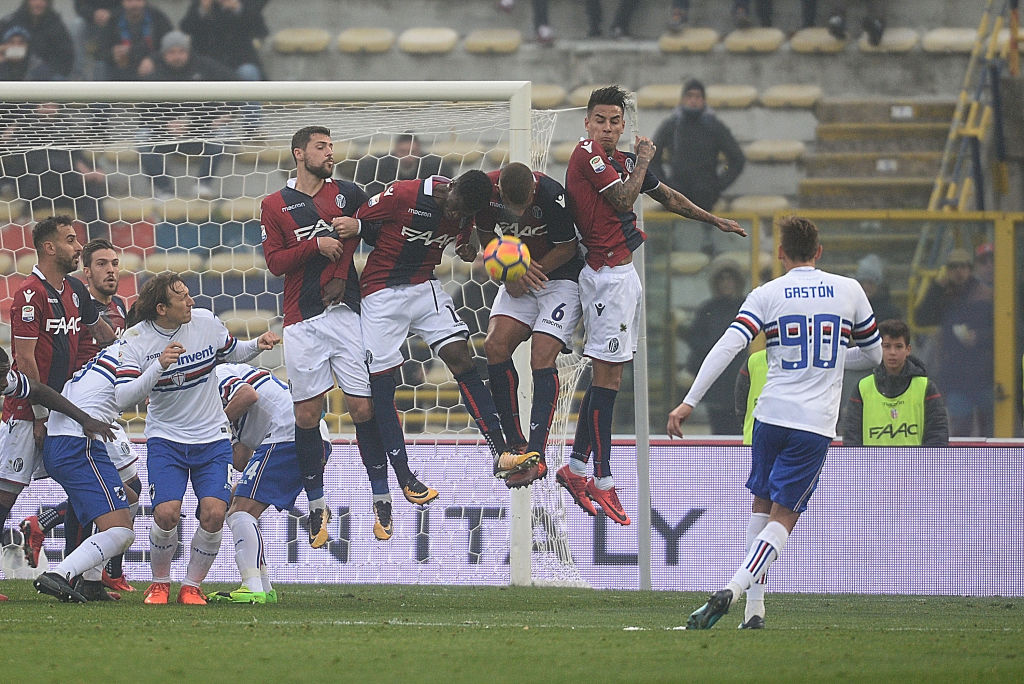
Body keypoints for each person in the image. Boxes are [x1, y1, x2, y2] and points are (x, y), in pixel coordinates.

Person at [667, 215, 882, 629]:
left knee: (761, 505)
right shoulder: (849, 290)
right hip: (813, 425)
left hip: (769, 416)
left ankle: (754, 611)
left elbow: (728, 345)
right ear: (819, 251)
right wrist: (833, 360)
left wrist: (689, 401)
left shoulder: (767, 293)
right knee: (784, 518)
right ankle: (733, 590)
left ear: (781, 253)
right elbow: (873, 355)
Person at [558, 84, 745, 526]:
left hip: (622, 277)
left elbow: (668, 197)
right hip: (605, 276)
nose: (607, 128)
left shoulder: (622, 162)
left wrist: (714, 220)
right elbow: (625, 199)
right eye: (600, 120)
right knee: (609, 377)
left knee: (609, 375)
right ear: (587, 122)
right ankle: (602, 478)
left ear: (623, 125)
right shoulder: (587, 154)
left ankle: (578, 467)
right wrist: (644, 158)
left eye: (614, 122)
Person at [261, 125, 413, 545]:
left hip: (347, 313)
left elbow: (381, 232)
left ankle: (381, 498)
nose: (330, 153)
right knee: (307, 416)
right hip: (301, 320)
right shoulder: (274, 204)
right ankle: (316, 505)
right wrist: (316, 246)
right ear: (299, 153)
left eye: (331, 146)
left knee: (363, 408)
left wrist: (357, 228)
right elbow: (275, 263)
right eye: (321, 146)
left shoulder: (349, 194)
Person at [351, 169, 528, 488]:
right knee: (382, 381)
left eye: (464, 213)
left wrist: (465, 247)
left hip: (424, 287)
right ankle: (403, 474)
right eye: (455, 207)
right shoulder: (403, 194)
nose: (456, 215)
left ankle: (500, 452)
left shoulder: (466, 210)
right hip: (381, 290)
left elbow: (464, 234)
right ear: (452, 186)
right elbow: (358, 222)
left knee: (462, 358)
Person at [114, 272, 280, 605]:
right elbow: (122, 397)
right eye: (182, 298)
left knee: (215, 513)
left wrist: (256, 345)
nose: (191, 302)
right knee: (166, 514)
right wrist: (159, 366)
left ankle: (191, 585)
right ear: (161, 308)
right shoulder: (135, 340)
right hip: (166, 440)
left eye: (189, 295)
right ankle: (160, 583)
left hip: (212, 439)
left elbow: (232, 351)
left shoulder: (205, 321)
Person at [18, 238, 140, 593]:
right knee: (113, 491)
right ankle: (86, 571)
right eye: (102, 264)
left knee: (122, 490)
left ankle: (85, 566)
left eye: (115, 263)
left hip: (103, 410)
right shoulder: (75, 305)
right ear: (86, 272)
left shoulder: (118, 309)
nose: (111, 270)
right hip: (80, 409)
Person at [0, 215, 114, 571]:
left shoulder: (75, 290)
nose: (79, 247)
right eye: (70, 240)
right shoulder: (30, 294)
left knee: (93, 488)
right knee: (5, 497)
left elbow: (103, 335)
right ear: (49, 248)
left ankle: (76, 572)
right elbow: (25, 360)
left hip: (67, 410)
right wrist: (40, 417)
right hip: (28, 414)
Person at [473, 162, 584, 488]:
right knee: (494, 346)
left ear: (534, 190)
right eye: (513, 207)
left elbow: (568, 247)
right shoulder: (486, 192)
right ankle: (515, 444)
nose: (519, 213)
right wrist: (508, 274)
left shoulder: (551, 194)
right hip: (519, 278)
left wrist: (527, 272)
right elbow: (485, 235)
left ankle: (537, 453)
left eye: (524, 207)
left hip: (560, 279)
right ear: (500, 193)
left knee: (541, 356)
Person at [0, 346, 117, 602]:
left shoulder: (9, 381)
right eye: (1, 376)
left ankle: (80, 576)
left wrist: (84, 419)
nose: (4, 383)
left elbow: (38, 390)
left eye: (5, 375)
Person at [207, 362, 330, 603]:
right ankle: (263, 587)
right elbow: (241, 459)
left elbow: (247, 395)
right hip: (306, 437)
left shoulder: (217, 374)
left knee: (241, 511)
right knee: (237, 503)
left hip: (288, 435)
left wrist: (212, 427)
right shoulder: (220, 406)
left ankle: (252, 587)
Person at [32, 340, 137, 603]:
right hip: (80, 440)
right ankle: (60, 574)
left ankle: (90, 581)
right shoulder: (134, 352)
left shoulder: (114, 350)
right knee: (121, 531)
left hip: (70, 437)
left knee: (126, 498)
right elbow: (31, 383)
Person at [138, 30, 232, 201]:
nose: (177, 57)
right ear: (164, 54)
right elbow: (143, 113)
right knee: (142, 137)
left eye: (181, 51)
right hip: (165, 135)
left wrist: (228, 113)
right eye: (172, 52)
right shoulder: (154, 74)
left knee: (224, 132)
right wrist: (165, 125)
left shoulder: (205, 67)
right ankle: (163, 189)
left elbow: (239, 83)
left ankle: (203, 185)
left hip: (201, 132)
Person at [913, 247, 993, 437]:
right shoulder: (943, 294)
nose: (959, 271)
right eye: (953, 267)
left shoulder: (984, 294)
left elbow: (1000, 330)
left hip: (984, 372)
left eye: (963, 267)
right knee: (961, 428)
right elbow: (921, 318)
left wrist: (978, 337)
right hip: (956, 374)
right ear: (947, 271)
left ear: (970, 269)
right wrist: (936, 287)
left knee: (990, 430)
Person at [842, 319, 949, 446]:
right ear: (879, 349)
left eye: (898, 346)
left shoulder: (926, 387)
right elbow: (851, 437)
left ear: (908, 349)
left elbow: (938, 434)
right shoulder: (862, 388)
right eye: (887, 346)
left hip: (914, 460)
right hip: (873, 460)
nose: (892, 352)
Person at [651, 79, 745, 213]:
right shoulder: (672, 125)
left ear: (704, 100)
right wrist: (665, 187)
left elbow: (737, 159)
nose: (693, 100)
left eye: (698, 97)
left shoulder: (714, 126)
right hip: (676, 194)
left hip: (705, 195)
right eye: (689, 96)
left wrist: (717, 186)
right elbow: (652, 157)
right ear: (683, 99)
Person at [684, 260, 747, 435]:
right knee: (719, 431)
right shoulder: (708, 309)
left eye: (730, 279)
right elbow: (695, 340)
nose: (726, 283)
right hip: (716, 384)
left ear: (737, 281)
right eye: (722, 279)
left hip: (740, 378)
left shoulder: (746, 307)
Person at [180, 0, 268, 81]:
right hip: (210, 61)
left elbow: (261, 30)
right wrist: (203, 10)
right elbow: (185, 28)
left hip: (241, 60)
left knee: (248, 72)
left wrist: (238, 9)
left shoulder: (245, 4)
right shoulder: (200, 5)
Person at [352, 133, 455, 198]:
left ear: (419, 152)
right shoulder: (376, 166)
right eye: (403, 151)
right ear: (395, 150)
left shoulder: (435, 166)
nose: (408, 156)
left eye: (412, 152)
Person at [96, 0, 173, 81]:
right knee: (100, 66)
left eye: (138, 0)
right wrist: (113, 54)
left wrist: (153, 59)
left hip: (150, 65)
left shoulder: (158, 17)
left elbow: (170, 46)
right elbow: (99, 50)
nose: (134, 4)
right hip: (120, 67)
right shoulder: (113, 19)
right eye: (129, 1)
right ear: (123, 2)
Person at [0, 0, 74, 80]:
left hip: (46, 74)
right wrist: (8, 52)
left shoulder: (56, 26)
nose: (38, 3)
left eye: (43, 0)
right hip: (9, 71)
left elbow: (66, 58)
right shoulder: (10, 22)